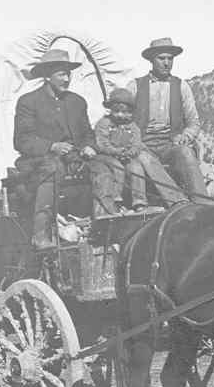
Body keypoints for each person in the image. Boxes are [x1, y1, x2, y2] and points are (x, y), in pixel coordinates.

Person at [13, 48, 97, 248]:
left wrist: (89, 147)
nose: (67, 79)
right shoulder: (28, 102)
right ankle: (40, 234)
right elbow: (22, 140)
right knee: (52, 167)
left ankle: (101, 225)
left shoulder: (77, 102)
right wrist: (52, 146)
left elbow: (88, 133)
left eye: (68, 74)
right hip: (39, 162)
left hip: (75, 159)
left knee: (105, 166)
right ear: (47, 76)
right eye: (61, 74)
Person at [121, 37, 208, 197]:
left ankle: (204, 202)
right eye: (161, 58)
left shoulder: (182, 86)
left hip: (170, 144)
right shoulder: (135, 86)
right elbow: (120, 120)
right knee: (145, 159)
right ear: (152, 60)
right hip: (143, 144)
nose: (166, 63)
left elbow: (193, 122)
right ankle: (177, 200)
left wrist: (185, 136)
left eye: (170, 58)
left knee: (186, 153)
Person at [90, 88, 187, 216]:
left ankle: (139, 202)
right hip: (109, 156)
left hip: (127, 156)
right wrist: (116, 152)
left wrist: (129, 153)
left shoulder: (133, 127)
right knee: (117, 168)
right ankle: (116, 200)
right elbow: (102, 143)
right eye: (117, 111)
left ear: (130, 113)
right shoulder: (104, 124)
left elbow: (136, 144)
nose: (120, 115)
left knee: (136, 168)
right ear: (111, 110)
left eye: (125, 112)